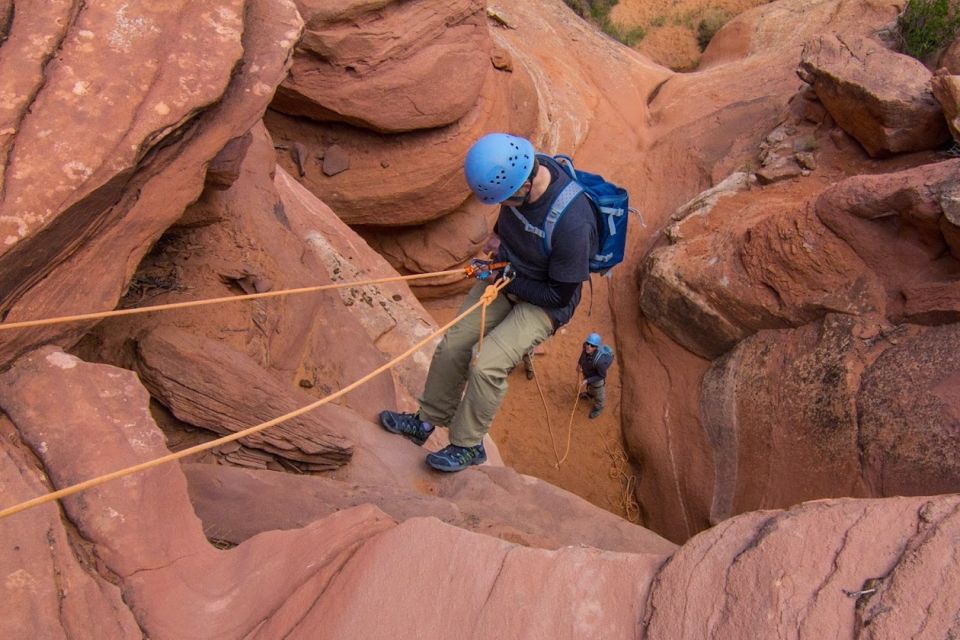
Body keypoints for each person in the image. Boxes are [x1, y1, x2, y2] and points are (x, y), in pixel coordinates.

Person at [379, 132, 599, 472]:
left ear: (525, 186)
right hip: (509, 274)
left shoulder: (573, 221)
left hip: (545, 301)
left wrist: (505, 277)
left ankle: (468, 445)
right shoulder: (518, 173)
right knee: (454, 344)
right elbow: (511, 219)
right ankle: (425, 422)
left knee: (487, 364)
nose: (504, 205)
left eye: (507, 199)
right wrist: (498, 250)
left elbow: (560, 295)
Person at [577, 332, 614, 419]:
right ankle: (590, 394)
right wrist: (579, 364)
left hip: (597, 378)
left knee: (598, 392)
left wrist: (587, 380)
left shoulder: (600, 362)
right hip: (589, 372)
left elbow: (601, 376)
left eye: (592, 345)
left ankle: (598, 408)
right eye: (588, 343)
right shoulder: (585, 347)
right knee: (590, 387)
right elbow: (583, 355)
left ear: (596, 347)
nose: (588, 346)